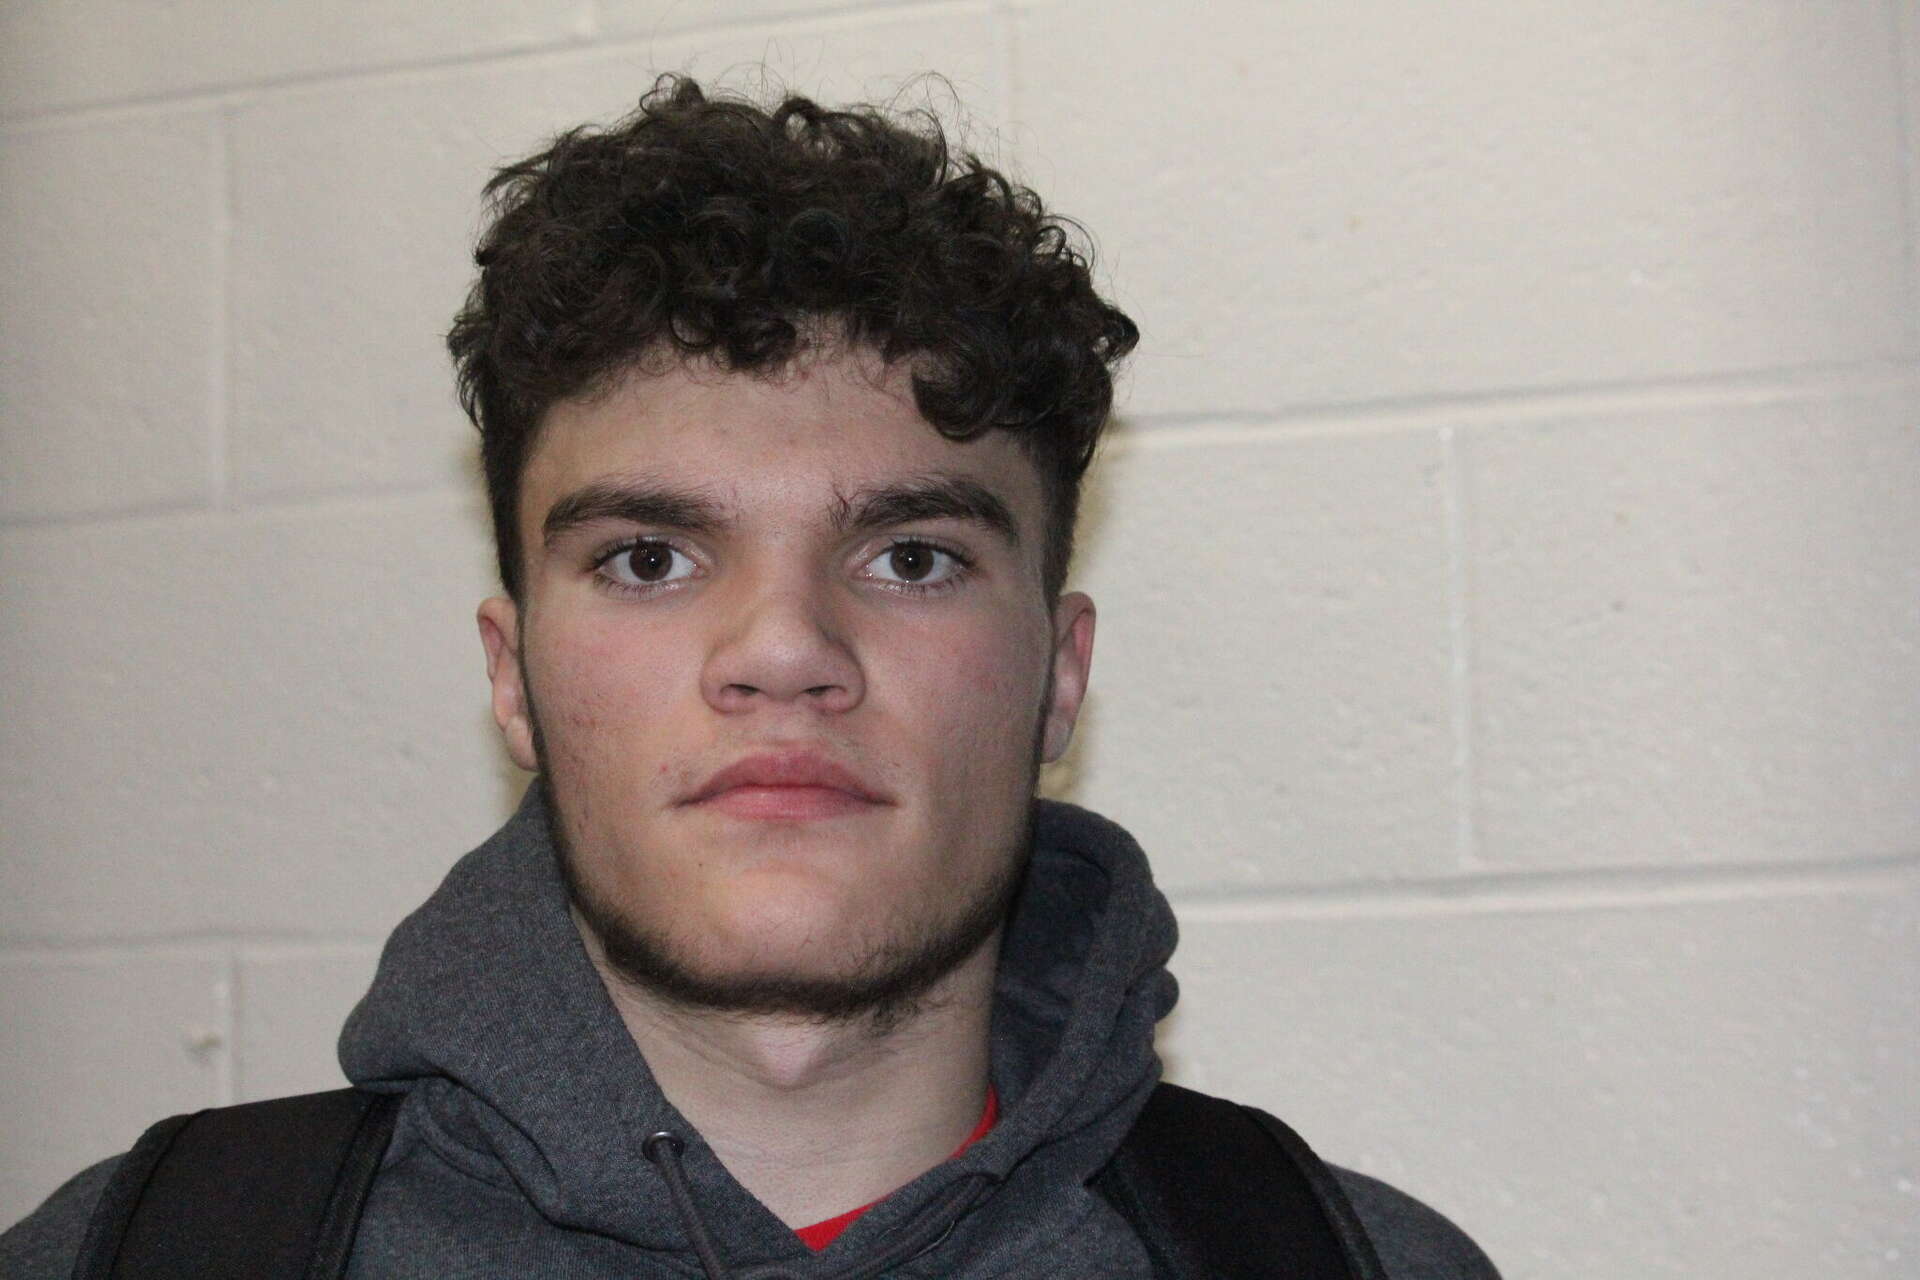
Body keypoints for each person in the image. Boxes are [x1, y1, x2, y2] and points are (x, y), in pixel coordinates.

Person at [1, 75, 1499, 1278]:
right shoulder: (137, 1254)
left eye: (911, 557)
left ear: (1060, 675)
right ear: (513, 678)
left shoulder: (1354, 1262)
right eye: (652, 558)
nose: (784, 651)